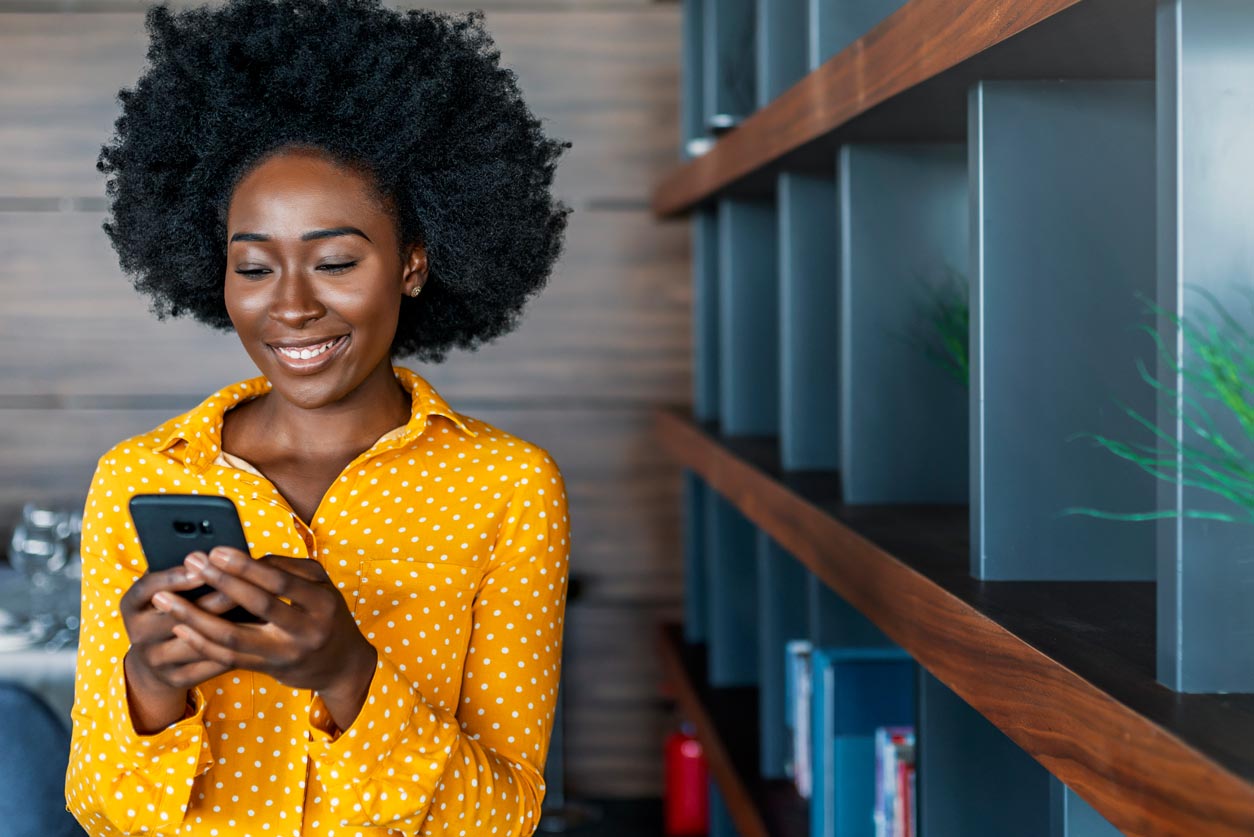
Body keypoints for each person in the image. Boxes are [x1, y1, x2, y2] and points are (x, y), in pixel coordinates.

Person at [62, 0, 573, 834]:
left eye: (335, 260)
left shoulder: (507, 487)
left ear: (412, 263)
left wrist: (349, 675)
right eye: (254, 266)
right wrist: (151, 690)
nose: (291, 305)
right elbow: (101, 807)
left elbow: (502, 817)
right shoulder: (142, 477)